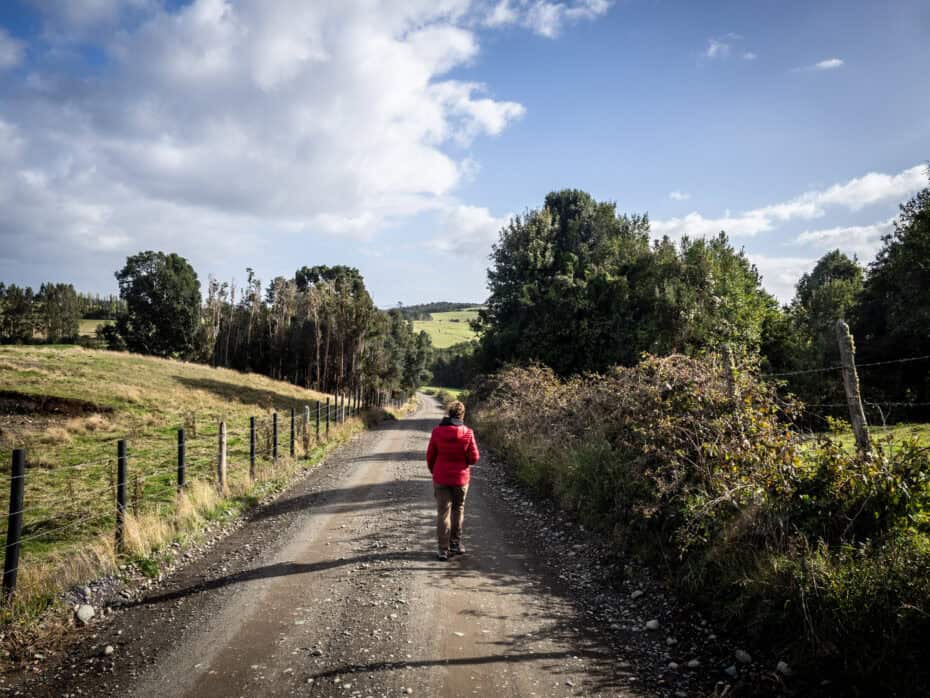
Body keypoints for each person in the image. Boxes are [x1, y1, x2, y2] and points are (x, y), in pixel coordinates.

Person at [426, 400, 480, 561]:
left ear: (449, 413)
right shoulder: (468, 432)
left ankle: (443, 549)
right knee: (458, 509)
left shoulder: (437, 432)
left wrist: (433, 470)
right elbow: (474, 458)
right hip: (461, 479)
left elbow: (430, 456)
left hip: (441, 477)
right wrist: (463, 461)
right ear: (462, 414)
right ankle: (455, 544)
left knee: (443, 512)